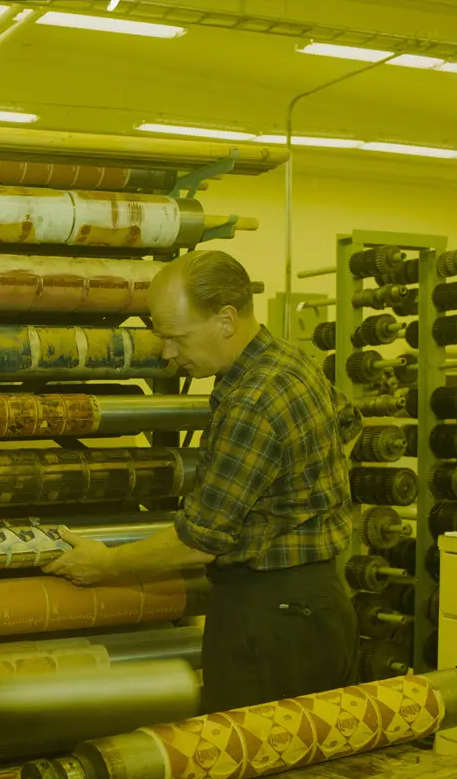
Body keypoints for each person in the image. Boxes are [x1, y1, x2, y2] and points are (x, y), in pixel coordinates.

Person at [43, 249, 364, 714]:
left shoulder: (252, 401)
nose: (169, 354)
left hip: (271, 619)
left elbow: (199, 541)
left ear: (226, 320)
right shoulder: (287, 361)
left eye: (177, 337)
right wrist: (293, 498)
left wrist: (105, 564)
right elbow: (349, 423)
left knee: (251, 750)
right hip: (318, 604)